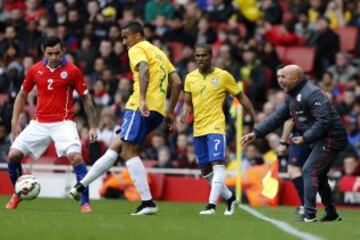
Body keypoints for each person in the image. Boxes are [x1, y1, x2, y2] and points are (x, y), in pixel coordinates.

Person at [68, 21, 182, 215]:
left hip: (139, 106)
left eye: (125, 36)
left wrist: (143, 99)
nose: (123, 41)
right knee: (116, 146)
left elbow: (144, 69)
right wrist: (170, 112)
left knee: (128, 151)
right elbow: (178, 83)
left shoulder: (136, 49)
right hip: (157, 110)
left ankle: (147, 203)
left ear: (137, 35)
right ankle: (81, 186)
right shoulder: (160, 53)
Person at [241, 65, 347, 222]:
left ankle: (309, 214)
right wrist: (256, 133)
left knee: (309, 170)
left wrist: (305, 138)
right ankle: (331, 213)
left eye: (284, 77)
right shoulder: (291, 95)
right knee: (320, 176)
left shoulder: (312, 94)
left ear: (296, 79)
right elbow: (277, 117)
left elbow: (324, 121)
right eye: (279, 77)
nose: (280, 80)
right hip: (318, 139)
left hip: (331, 138)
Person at [6, 36, 98, 213]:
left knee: (76, 158)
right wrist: (14, 121)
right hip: (39, 123)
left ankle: (85, 203)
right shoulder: (35, 70)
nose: (54, 57)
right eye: (50, 53)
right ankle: (17, 194)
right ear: (43, 52)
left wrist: (93, 126)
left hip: (63, 123)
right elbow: (22, 94)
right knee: (13, 155)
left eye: (57, 53)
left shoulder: (72, 71)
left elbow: (86, 99)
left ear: (63, 50)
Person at [181, 43, 257, 215]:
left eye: (203, 55)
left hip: (216, 126)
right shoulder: (190, 77)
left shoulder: (223, 76)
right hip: (198, 128)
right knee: (206, 172)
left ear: (211, 56)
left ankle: (211, 205)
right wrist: (185, 112)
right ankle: (230, 198)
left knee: (218, 164)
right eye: (197, 56)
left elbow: (240, 96)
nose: (200, 59)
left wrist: (253, 115)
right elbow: (187, 101)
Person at [278, 119, 311, 216]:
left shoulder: (294, 103)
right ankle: (306, 205)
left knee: (293, 170)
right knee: (308, 171)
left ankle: (306, 206)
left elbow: (289, 121)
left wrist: (283, 143)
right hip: (315, 135)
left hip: (301, 137)